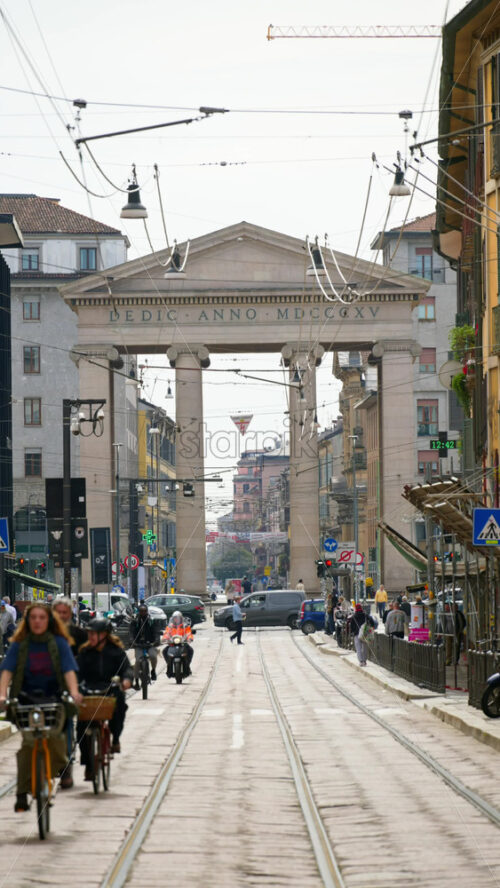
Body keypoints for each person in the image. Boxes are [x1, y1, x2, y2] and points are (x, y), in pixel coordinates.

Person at [0, 602, 81, 810]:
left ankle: (50, 775)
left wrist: (73, 692)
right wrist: (2, 696)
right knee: (28, 744)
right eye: (33, 617)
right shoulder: (20, 644)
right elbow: (7, 671)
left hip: (54, 699)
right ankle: (21, 792)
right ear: (27, 621)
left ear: (49, 621)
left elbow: (69, 670)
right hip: (26, 699)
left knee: (57, 742)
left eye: (42, 617)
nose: (37, 621)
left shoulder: (59, 643)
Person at [77, 618, 132, 774]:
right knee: (81, 725)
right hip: (89, 689)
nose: (91, 637)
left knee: (119, 704)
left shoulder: (116, 651)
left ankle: (115, 738)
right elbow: (76, 672)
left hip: (110, 688)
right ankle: (87, 762)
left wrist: (127, 680)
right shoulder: (85, 652)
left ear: (105, 635)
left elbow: (126, 668)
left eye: (95, 633)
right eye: (89, 633)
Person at [129, 603, 158, 689]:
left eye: (145, 611)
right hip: (139, 645)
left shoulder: (151, 620)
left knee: (153, 656)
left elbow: (156, 631)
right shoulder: (135, 621)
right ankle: (137, 681)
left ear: (147, 611)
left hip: (150, 644)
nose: (143, 613)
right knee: (137, 661)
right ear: (139, 612)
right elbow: (131, 632)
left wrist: (156, 640)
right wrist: (132, 641)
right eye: (141, 611)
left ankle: (153, 670)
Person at [161, 611, 194, 675]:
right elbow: (166, 634)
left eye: (178, 618)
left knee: (190, 650)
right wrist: (165, 638)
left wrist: (190, 638)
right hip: (172, 644)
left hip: (183, 643)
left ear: (181, 619)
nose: (177, 619)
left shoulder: (185, 626)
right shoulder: (170, 627)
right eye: (175, 618)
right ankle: (168, 663)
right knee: (164, 651)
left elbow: (188, 633)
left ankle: (188, 664)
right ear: (173, 619)